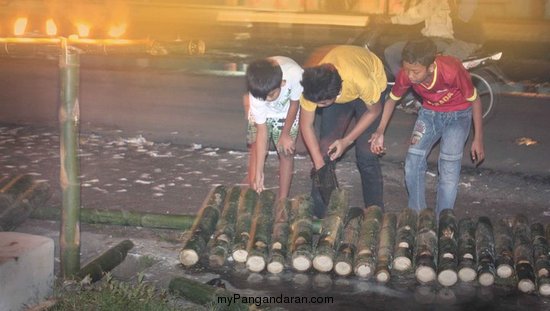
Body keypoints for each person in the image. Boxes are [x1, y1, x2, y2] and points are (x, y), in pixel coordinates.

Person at [370, 38, 485, 216]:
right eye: (407, 69)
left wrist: (478, 139)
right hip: (429, 115)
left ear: (430, 67)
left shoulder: (452, 70)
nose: (410, 76)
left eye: (415, 72)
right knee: (412, 164)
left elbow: (475, 100)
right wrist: (380, 130)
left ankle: (443, 219)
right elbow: (392, 99)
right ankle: (417, 215)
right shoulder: (406, 73)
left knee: (448, 169)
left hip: (458, 116)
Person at [300, 45, 387, 218]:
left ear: (335, 94)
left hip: (370, 88)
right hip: (339, 90)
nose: (317, 108)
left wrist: (347, 140)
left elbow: (374, 111)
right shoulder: (314, 88)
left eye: (322, 104)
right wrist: (319, 164)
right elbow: (306, 125)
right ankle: (321, 213)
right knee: (326, 152)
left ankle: (374, 212)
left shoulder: (360, 79)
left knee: (366, 153)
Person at [244, 57, 303, 200]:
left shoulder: (296, 75)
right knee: (257, 150)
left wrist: (285, 134)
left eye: (271, 95)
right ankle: (255, 190)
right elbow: (262, 131)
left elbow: (295, 104)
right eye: (263, 97)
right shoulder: (257, 91)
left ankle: (282, 201)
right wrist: (259, 172)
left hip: (286, 111)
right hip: (263, 115)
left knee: (286, 153)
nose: (267, 100)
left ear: (282, 84)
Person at [382, 0, 481, 78]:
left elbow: (417, 14)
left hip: (440, 41)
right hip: (436, 40)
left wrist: (391, 20)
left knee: (391, 51)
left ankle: (407, 86)